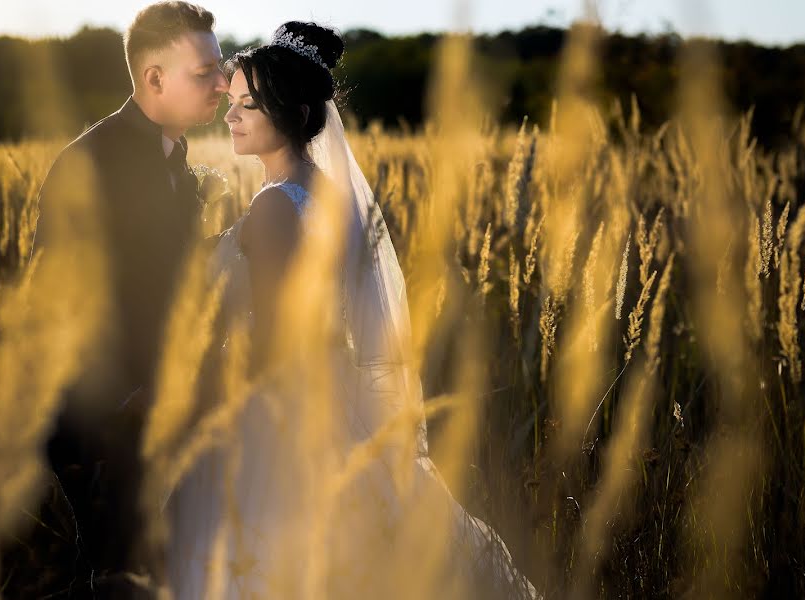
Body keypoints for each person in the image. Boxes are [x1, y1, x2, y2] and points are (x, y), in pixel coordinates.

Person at [165, 21, 540, 599]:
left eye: (248, 104)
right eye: (231, 102)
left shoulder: (272, 208)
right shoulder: (330, 195)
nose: (230, 116)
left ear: (287, 111)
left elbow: (275, 339)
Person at [30, 2, 227, 596]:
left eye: (221, 69)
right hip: (106, 424)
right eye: (204, 73)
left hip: (157, 414)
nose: (222, 83)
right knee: (121, 581)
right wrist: (127, 399)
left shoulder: (172, 152)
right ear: (154, 79)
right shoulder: (92, 163)